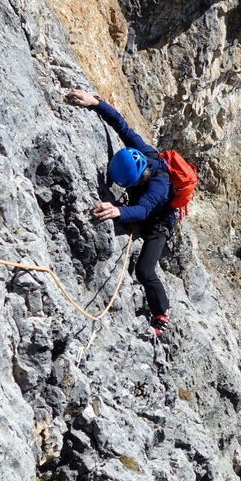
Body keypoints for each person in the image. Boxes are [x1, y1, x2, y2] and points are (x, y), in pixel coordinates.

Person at [66, 88, 174, 335]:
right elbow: (121, 126)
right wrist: (95, 102)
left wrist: (118, 212)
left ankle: (162, 314)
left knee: (145, 271)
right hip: (143, 208)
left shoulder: (158, 185)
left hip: (159, 224)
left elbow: (144, 210)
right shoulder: (144, 151)